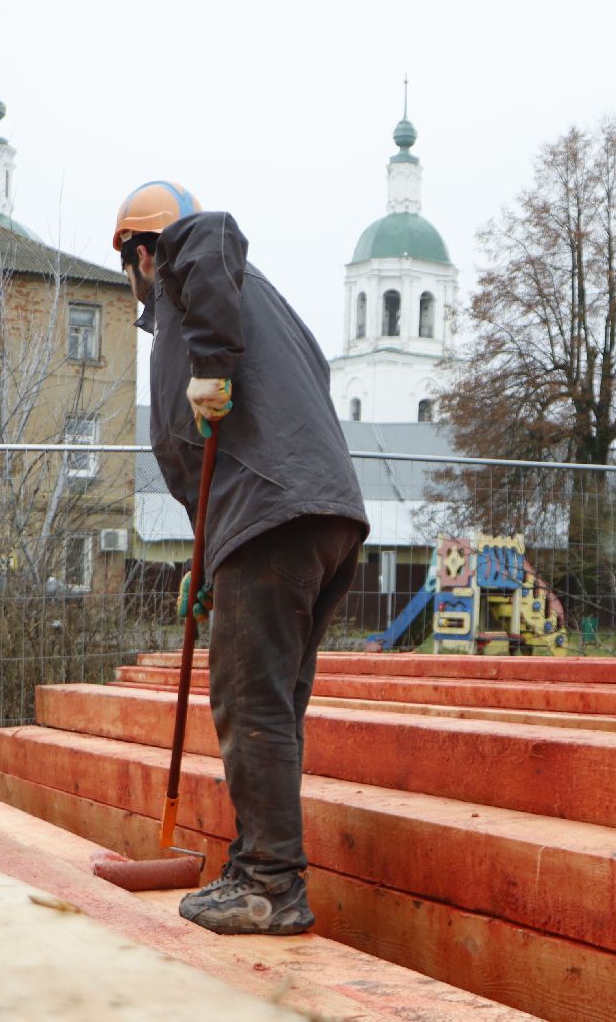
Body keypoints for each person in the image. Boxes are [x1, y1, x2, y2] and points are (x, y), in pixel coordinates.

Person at [112, 182, 369, 935]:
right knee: (274, 702)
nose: (134, 284)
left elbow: (211, 231)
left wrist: (213, 365)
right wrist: (207, 549)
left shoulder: (198, 264)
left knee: (249, 700)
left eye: (131, 261)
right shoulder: (250, 304)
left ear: (142, 249)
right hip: (307, 512)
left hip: (274, 513)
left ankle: (269, 885)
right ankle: (258, 862)